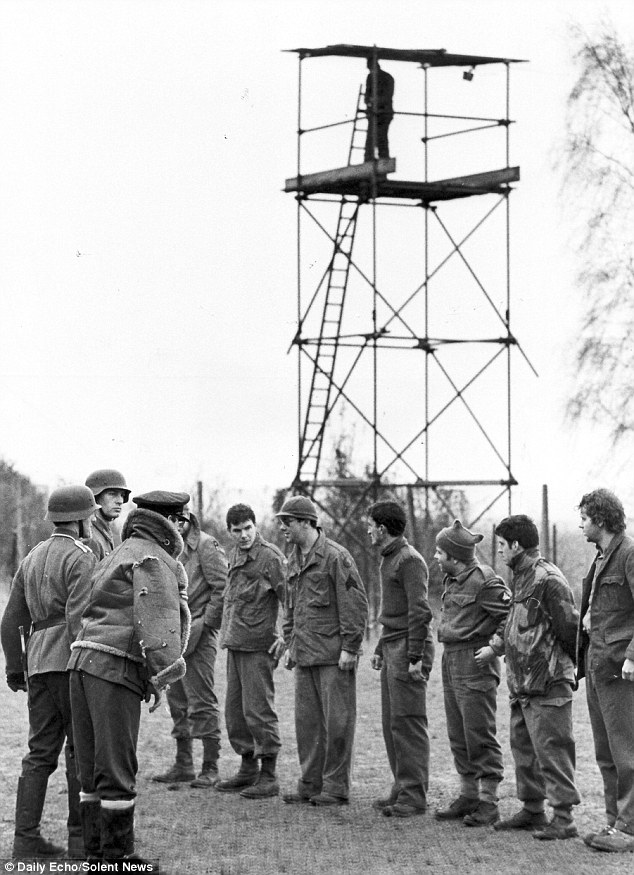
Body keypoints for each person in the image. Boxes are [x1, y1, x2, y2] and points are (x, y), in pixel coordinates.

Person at [67, 490, 191, 863]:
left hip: (81, 666)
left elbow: (82, 610)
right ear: (171, 521)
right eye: (180, 519)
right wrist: (162, 676)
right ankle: (118, 860)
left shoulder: (118, 552)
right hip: (113, 669)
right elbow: (158, 624)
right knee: (118, 766)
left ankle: (96, 857)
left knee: (91, 769)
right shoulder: (154, 557)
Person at [1, 485, 98, 859]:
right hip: (71, 664)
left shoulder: (33, 556)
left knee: (38, 754)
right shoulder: (82, 557)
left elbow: (10, 623)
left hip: (37, 664)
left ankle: (24, 840)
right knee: (78, 751)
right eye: (89, 516)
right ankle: (79, 841)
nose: (90, 521)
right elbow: (79, 623)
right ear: (78, 519)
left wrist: (15, 667)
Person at [493, 514, 580, 840]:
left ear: (517, 545)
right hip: (522, 684)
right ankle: (533, 810)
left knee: (552, 749)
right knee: (525, 750)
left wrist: (565, 673)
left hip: (546, 684)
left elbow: (569, 629)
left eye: (502, 545)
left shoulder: (548, 579)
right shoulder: (521, 577)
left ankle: (563, 817)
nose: (500, 551)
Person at [277, 495, 368, 806]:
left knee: (338, 723)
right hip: (304, 654)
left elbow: (354, 605)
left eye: (287, 522)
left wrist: (350, 648)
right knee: (307, 725)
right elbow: (290, 606)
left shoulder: (335, 557)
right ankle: (310, 783)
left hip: (333, 656)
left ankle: (335, 787)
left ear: (306, 522)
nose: (283, 528)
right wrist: (289, 643)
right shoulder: (293, 559)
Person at [434, 520, 511, 827]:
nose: (436, 557)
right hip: (452, 660)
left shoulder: (484, 580)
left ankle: (489, 803)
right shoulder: (452, 579)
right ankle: (469, 795)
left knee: (479, 734)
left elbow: (511, 616)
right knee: (458, 734)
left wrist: (494, 647)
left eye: (441, 552)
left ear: (455, 556)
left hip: (475, 662)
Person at [152, 504, 227, 788]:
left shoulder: (207, 547)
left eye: (179, 519)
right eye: (169, 519)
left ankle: (210, 767)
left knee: (202, 700)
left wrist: (206, 624)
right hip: (173, 636)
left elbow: (222, 588)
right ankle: (183, 764)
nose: (175, 524)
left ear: (188, 519)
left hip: (200, 636)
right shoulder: (165, 548)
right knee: (177, 700)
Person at [215, 503, 287, 798]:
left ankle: (268, 775)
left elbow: (291, 597)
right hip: (236, 643)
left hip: (259, 645)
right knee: (236, 712)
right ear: (230, 532)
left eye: (248, 528)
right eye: (237, 530)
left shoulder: (270, 557)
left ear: (255, 526)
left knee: (259, 710)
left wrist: (286, 634)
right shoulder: (234, 555)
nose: (243, 535)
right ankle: (248, 769)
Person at [368, 500, 434, 818]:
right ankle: (401, 785)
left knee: (408, 723)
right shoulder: (390, 558)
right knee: (392, 723)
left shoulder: (409, 560)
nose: (367, 530)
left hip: (408, 649)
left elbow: (419, 611)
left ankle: (414, 795)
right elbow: (394, 613)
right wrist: (382, 647)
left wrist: (416, 656)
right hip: (394, 645)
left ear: (382, 528)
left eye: (370, 525)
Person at [577, 489, 634, 853]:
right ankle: (614, 823)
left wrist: (633, 655)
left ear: (599, 519)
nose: (581, 524)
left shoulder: (629, 554)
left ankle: (628, 828)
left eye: (584, 517)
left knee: (627, 752)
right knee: (606, 752)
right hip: (598, 667)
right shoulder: (600, 560)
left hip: (620, 670)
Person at [84, 469, 131, 560]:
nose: (120, 501)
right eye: (112, 494)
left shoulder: (104, 532)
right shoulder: (90, 537)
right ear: (95, 498)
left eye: (122, 495)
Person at [364, 56, 394, 162]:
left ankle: (382, 159)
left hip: (383, 112)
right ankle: (370, 159)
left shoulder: (386, 77)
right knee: (372, 139)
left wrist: (374, 100)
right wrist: (370, 101)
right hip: (375, 113)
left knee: (381, 138)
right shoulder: (370, 77)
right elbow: (366, 96)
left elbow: (387, 96)